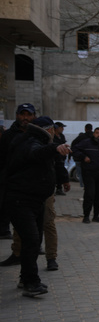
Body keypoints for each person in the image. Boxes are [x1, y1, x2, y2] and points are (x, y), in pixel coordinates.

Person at [0, 116, 71, 297]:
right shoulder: (30, 142)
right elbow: (35, 153)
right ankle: (31, 282)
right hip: (21, 200)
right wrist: (55, 147)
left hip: (35, 200)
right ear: (48, 130)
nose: (55, 134)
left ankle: (25, 278)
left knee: (33, 240)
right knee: (31, 240)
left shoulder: (33, 141)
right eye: (53, 130)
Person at [0, 103, 38, 253]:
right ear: (17, 115)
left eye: (28, 115)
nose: (25, 118)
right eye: (22, 114)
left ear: (34, 116)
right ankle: (7, 233)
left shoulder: (37, 134)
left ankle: (31, 244)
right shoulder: (9, 135)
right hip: (11, 181)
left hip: (31, 183)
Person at [72, 126, 99, 223]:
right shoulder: (86, 143)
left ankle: (96, 215)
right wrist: (83, 157)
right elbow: (75, 150)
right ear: (94, 133)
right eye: (97, 133)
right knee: (89, 194)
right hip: (89, 172)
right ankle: (86, 216)